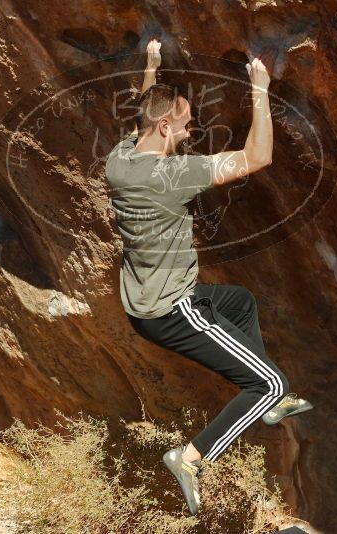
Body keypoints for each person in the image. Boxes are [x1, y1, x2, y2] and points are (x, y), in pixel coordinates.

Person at [105, 39, 313, 515]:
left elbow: (145, 114)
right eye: (185, 118)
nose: (191, 123)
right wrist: (260, 87)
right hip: (172, 311)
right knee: (272, 384)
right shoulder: (172, 175)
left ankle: (264, 402)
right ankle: (191, 457)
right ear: (165, 126)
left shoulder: (121, 159)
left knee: (239, 301)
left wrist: (152, 67)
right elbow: (256, 158)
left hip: (143, 305)